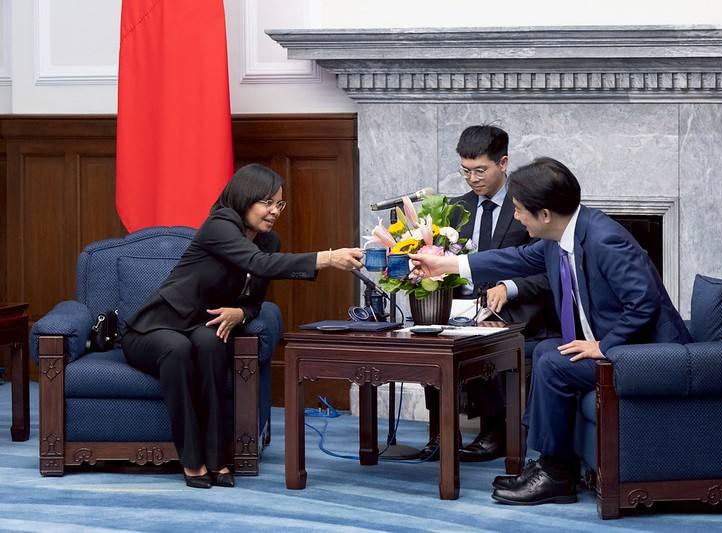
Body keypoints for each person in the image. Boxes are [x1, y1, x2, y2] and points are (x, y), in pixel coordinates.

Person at [410, 157, 691, 505]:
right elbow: (512, 259)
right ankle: (549, 464)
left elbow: (645, 303)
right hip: (627, 345)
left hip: (651, 353)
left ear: (544, 215)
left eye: (518, 210)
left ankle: (555, 474)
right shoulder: (562, 235)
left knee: (554, 363)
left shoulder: (604, 240)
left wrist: (604, 345)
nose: (515, 217)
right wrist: (446, 263)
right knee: (546, 351)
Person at [122, 163, 363, 489]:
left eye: (279, 204)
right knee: (176, 349)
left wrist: (241, 313)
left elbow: (254, 299)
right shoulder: (219, 225)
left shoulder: (268, 241)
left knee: (211, 344)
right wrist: (328, 258)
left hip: (201, 325)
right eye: (267, 202)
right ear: (245, 198)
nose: (274, 211)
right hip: (154, 328)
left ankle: (217, 457)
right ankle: (192, 460)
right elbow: (257, 264)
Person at [420, 125, 558, 462]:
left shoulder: (527, 206)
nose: (472, 179)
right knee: (428, 340)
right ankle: (441, 433)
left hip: (521, 310)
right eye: (465, 171)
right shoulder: (456, 209)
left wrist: (509, 287)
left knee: (483, 343)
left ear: (504, 163)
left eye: (480, 170)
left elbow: (548, 268)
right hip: (462, 308)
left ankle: (494, 431)